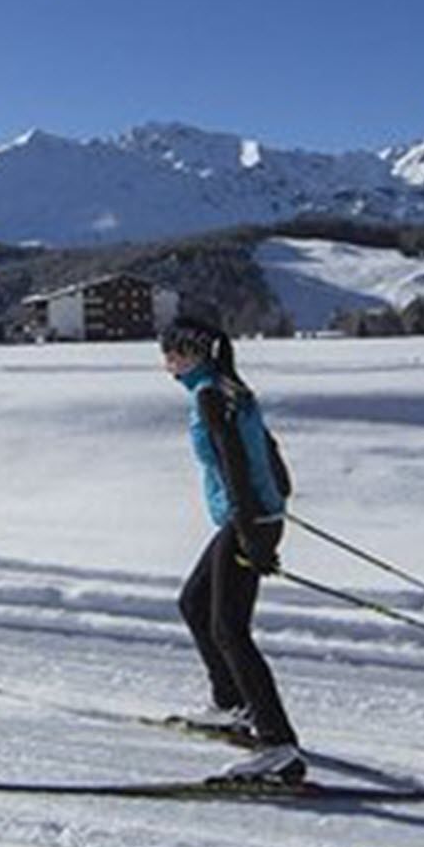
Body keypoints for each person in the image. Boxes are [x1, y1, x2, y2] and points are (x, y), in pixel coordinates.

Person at [159, 315, 305, 783]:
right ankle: (232, 704)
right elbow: (269, 447)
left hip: (246, 520)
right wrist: (275, 501)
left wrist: (251, 528)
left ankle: (278, 745)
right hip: (252, 516)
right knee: (194, 602)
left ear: (191, 354)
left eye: (171, 354)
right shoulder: (231, 387)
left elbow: (234, 461)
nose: (167, 365)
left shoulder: (208, 396)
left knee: (230, 630)